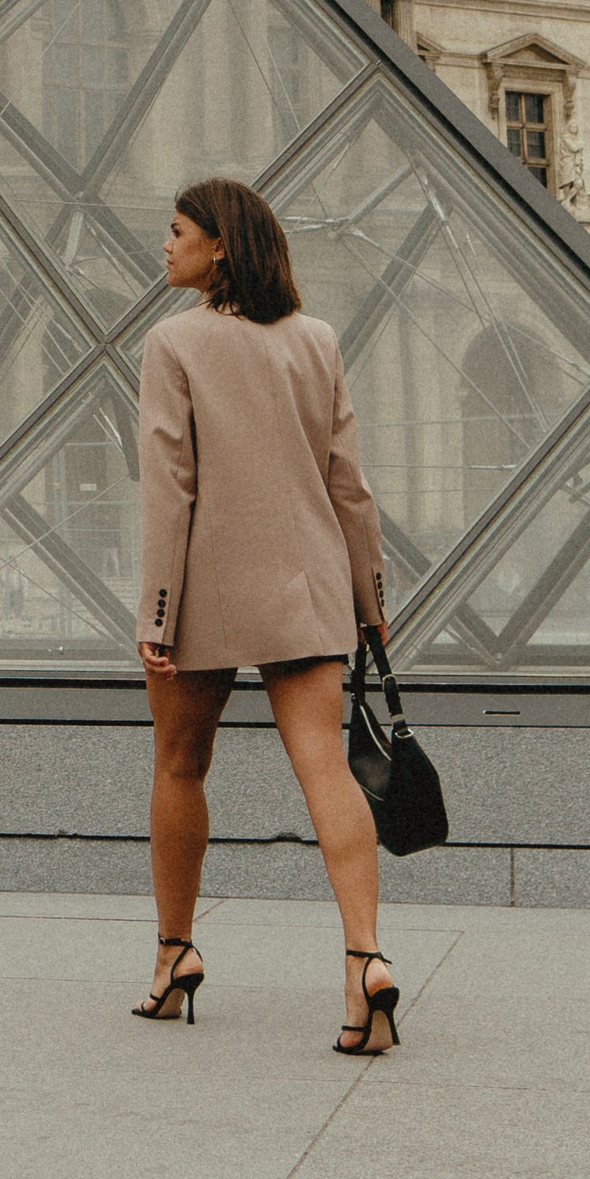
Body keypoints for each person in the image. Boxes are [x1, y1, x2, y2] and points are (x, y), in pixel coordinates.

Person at [133, 177, 399, 1055]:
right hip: (308, 584)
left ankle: (176, 955)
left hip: (206, 589)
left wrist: (157, 612)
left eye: (176, 232)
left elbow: (171, 488)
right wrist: (370, 599)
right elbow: (347, 484)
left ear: (218, 247)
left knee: (179, 767)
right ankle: (365, 963)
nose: (163, 245)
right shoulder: (316, 340)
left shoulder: (173, 345)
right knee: (327, 770)